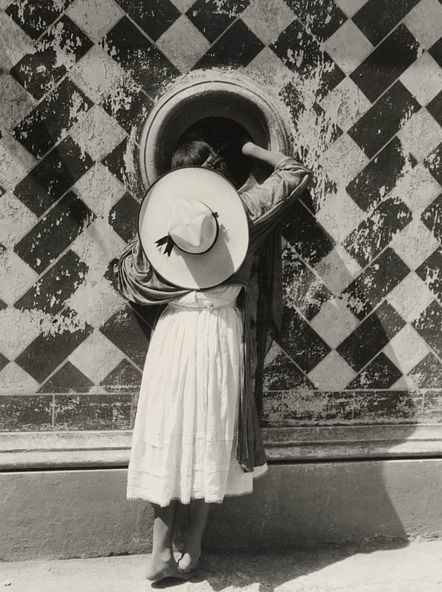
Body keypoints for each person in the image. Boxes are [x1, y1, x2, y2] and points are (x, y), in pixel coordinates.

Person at [115, 139, 310, 582]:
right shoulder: (245, 212)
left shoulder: (165, 220)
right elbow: (295, 173)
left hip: (174, 334)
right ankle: (195, 549)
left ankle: (160, 552)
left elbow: (129, 275)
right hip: (219, 332)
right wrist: (257, 151)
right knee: (210, 435)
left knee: (169, 432)